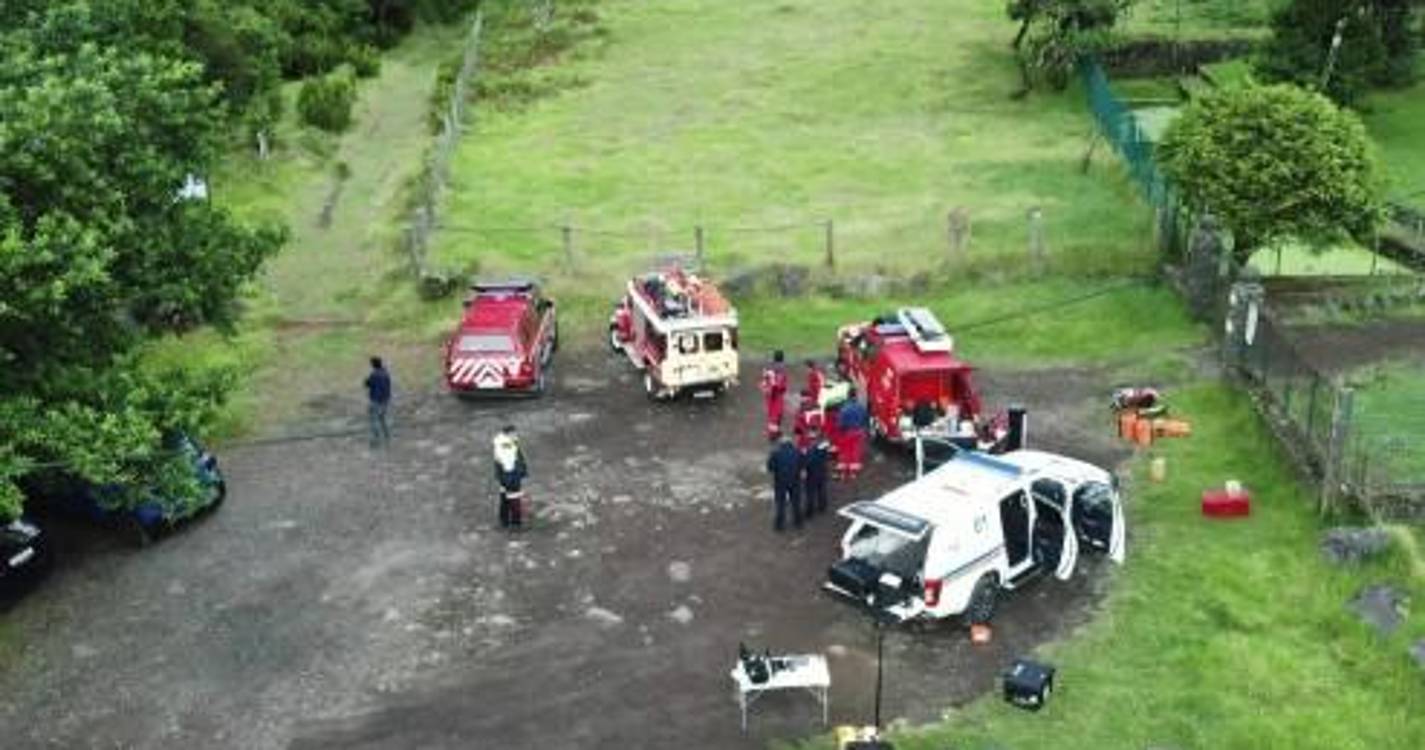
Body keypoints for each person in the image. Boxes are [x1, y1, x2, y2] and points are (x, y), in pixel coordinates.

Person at [492, 425, 528, 530]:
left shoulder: (501, 442)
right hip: (511, 476)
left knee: (504, 498)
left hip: (504, 476)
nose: (516, 435)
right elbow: (509, 463)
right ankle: (516, 523)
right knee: (514, 498)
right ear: (509, 433)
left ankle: (504, 521)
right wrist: (514, 477)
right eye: (514, 433)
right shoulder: (507, 446)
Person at [765, 432, 802, 532]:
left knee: (780, 504)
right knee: (796, 502)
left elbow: (770, 468)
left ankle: (779, 525)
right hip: (795, 481)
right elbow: (802, 465)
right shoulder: (797, 452)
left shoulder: (775, 453)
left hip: (780, 481)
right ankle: (798, 522)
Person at [835, 387, 869, 480]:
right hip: (859, 431)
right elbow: (865, 419)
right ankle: (853, 473)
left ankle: (843, 472)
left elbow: (840, 423)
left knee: (845, 451)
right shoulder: (861, 407)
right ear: (856, 396)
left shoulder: (844, 408)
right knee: (855, 451)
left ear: (848, 396)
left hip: (847, 432)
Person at [801, 427, 831, 519]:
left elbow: (809, 461)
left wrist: (803, 467)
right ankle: (822, 506)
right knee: (821, 490)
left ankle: (809, 511)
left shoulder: (811, 449)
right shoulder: (824, 445)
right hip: (822, 471)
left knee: (810, 493)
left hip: (812, 473)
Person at [759, 351, 789, 439]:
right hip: (775, 394)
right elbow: (779, 383)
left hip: (770, 393)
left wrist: (765, 389)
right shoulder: (780, 369)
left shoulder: (769, 367)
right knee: (776, 414)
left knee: (773, 414)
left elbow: (764, 381)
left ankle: (774, 431)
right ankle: (773, 434)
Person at [364, 356, 392, 447]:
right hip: (386, 399)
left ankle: (376, 437)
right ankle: (387, 435)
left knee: (373, 419)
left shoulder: (374, 374)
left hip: (375, 400)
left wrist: (366, 381)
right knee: (382, 418)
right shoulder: (386, 373)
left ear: (373, 364)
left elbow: (367, 384)